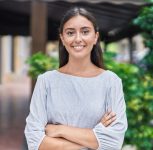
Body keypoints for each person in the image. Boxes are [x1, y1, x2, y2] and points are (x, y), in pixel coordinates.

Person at [25, 7, 127, 150]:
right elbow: (34, 141)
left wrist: (59, 130)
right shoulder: (46, 81)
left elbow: (113, 143)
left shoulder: (111, 82)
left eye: (85, 32)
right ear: (62, 38)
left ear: (95, 37)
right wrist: (93, 137)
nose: (78, 39)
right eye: (70, 33)